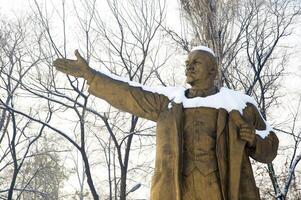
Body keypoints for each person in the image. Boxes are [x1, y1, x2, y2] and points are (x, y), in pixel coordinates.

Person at [53, 46, 279, 200]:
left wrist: (255, 140)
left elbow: (270, 147)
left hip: (223, 191)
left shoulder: (239, 106)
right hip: (177, 191)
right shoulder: (167, 105)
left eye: (196, 62)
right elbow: (129, 94)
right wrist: (91, 76)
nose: (189, 67)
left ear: (213, 70)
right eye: (187, 62)